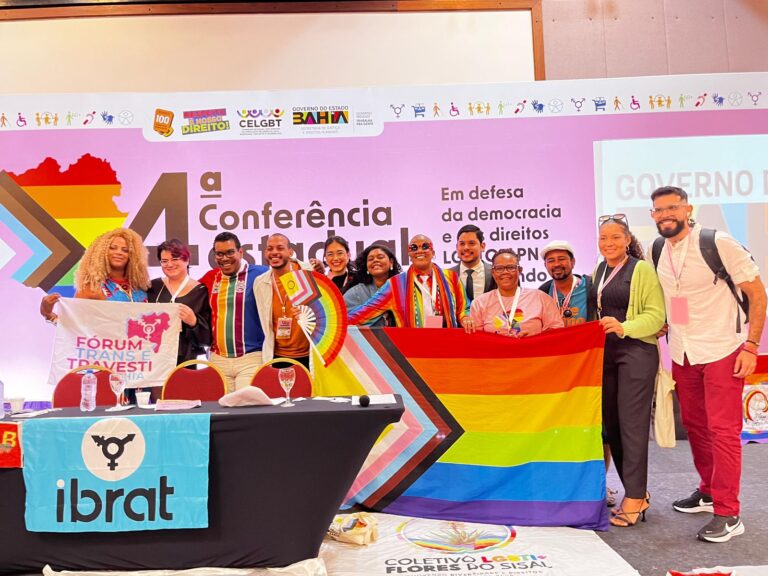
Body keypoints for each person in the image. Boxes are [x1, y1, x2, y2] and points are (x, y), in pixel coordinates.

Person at [650, 186, 766, 542]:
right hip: (684, 351)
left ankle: (729, 513)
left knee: (723, 431)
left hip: (723, 349)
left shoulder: (719, 242)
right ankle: (709, 490)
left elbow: (758, 294)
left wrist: (751, 345)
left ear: (688, 209)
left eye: (672, 207)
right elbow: (681, 294)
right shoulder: (660, 249)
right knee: (697, 427)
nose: (664, 214)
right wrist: (674, 323)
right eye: (658, 210)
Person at [590, 215, 665, 528]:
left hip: (636, 352)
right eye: (603, 238)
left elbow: (656, 316)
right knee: (614, 426)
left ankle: (634, 496)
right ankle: (635, 491)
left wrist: (624, 327)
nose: (609, 243)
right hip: (606, 355)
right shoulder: (600, 268)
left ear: (627, 239)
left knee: (632, 427)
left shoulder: (641, 269)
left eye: (615, 238)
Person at [348, 234, 473, 332]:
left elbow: (464, 308)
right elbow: (367, 311)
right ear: (409, 255)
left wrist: (465, 318)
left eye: (425, 246)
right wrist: (336, 324)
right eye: (414, 247)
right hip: (411, 352)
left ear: (433, 252)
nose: (419, 251)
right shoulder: (395, 284)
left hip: (447, 347)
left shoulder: (451, 278)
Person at [199, 232, 269, 392]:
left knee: (247, 410)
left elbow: (286, 274)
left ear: (240, 252)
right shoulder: (211, 277)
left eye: (230, 252)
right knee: (223, 411)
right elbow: (187, 292)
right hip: (218, 359)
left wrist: (312, 267)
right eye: (220, 254)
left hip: (251, 358)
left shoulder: (260, 273)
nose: (225, 258)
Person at [40, 227, 150, 321]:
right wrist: (48, 314)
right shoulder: (92, 288)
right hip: (107, 345)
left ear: (133, 256)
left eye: (125, 250)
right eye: (112, 248)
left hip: (143, 345)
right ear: (101, 252)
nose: (119, 252)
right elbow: (75, 326)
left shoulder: (142, 287)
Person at [254, 233, 314, 369]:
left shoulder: (308, 274)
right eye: (270, 248)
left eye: (280, 248)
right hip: (277, 356)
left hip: (310, 356)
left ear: (290, 252)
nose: (274, 252)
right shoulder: (260, 283)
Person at [147, 239, 212, 366]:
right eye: (164, 261)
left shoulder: (200, 291)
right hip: (155, 359)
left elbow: (207, 339)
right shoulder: (153, 287)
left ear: (186, 260)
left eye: (175, 259)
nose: (169, 264)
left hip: (186, 360)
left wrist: (194, 322)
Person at [470, 249, 563, 336]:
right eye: (499, 268)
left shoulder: (541, 298)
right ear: (493, 272)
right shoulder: (479, 303)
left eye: (511, 267)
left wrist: (535, 339)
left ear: (520, 270)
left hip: (533, 352)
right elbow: (477, 340)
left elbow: (557, 333)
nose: (505, 272)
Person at [343, 243, 402, 327]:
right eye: (370, 259)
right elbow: (342, 322)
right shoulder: (356, 293)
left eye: (380, 257)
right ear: (367, 267)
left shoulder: (402, 288)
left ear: (391, 262)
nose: (375, 260)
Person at [538, 240, 595, 326]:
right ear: (545, 265)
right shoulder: (542, 293)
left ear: (573, 262)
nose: (556, 264)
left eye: (561, 259)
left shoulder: (592, 287)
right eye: (551, 260)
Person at [450, 225, 495, 302]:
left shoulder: (494, 273)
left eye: (471, 243)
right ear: (457, 247)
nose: (466, 248)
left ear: (482, 246)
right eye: (462, 244)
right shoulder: (447, 276)